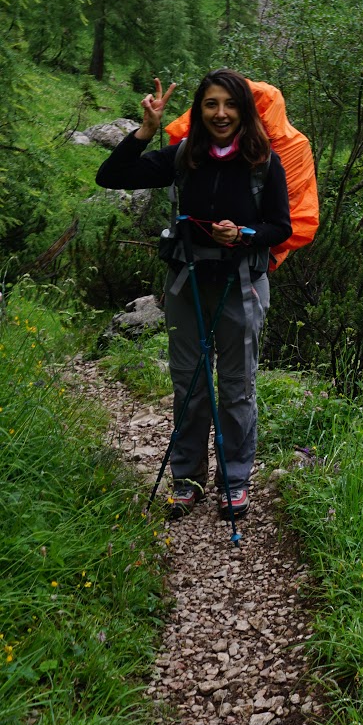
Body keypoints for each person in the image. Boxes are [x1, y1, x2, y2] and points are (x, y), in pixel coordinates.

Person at [96, 70, 291, 520]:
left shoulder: (263, 163)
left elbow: (281, 227)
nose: (221, 114)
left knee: (237, 389)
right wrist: (145, 131)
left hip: (241, 283)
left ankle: (235, 480)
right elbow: (111, 176)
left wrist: (242, 234)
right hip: (186, 285)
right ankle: (187, 479)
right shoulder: (185, 156)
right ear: (199, 111)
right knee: (189, 385)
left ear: (244, 110)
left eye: (230, 104)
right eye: (211, 104)